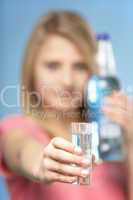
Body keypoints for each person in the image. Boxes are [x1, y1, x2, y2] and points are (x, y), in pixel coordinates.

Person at [0, 10, 133, 200]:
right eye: (53, 65)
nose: (67, 80)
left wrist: (131, 140)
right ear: (32, 71)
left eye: (79, 66)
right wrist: (41, 162)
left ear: (93, 72)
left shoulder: (111, 146)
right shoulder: (16, 128)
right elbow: (21, 150)